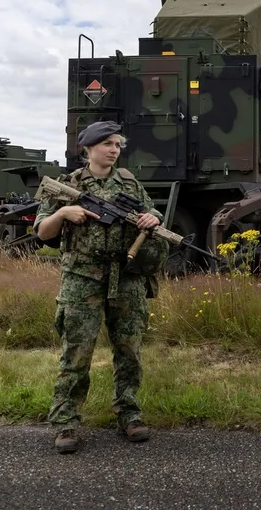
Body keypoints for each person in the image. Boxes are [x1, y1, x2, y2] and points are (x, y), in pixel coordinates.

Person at [34, 120, 165, 454]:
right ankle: (65, 422)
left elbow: (150, 211)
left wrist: (153, 218)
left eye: (118, 145)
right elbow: (42, 233)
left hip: (126, 277)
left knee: (129, 351)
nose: (114, 150)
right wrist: (64, 212)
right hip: (82, 279)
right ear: (89, 148)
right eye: (107, 144)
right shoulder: (68, 184)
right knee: (77, 353)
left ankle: (129, 414)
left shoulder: (129, 183)